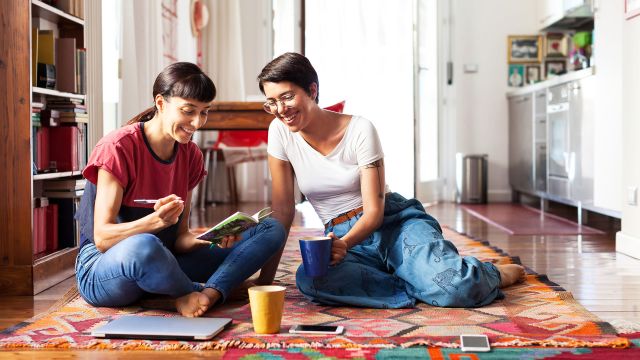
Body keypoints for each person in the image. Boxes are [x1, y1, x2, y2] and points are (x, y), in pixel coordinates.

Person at [258, 52, 525, 309]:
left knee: (455, 286)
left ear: (312, 90)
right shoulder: (279, 133)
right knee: (310, 279)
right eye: (272, 102)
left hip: (393, 223)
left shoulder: (360, 129)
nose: (281, 110)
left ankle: (488, 274)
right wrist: (263, 282)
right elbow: (282, 212)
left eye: (288, 97)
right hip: (341, 236)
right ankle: (423, 279)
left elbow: (374, 212)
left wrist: (345, 244)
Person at [75, 62, 286, 317]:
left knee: (270, 228)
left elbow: (180, 239)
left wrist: (211, 238)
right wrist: (154, 221)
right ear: (161, 103)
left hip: (166, 260)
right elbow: (103, 237)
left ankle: (209, 293)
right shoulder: (118, 147)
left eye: (204, 112)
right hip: (105, 268)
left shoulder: (190, 155)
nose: (197, 123)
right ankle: (186, 292)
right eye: (188, 111)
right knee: (145, 246)